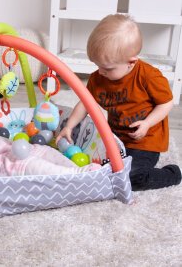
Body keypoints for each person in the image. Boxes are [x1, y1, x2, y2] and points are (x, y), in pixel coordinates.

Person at [56, 14, 181, 191]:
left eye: (107, 68)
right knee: (101, 171)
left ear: (131, 62)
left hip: (144, 143)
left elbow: (166, 103)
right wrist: (68, 126)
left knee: (131, 178)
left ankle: (172, 174)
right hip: (115, 139)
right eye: (97, 65)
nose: (100, 72)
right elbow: (85, 103)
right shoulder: (99, 77)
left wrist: (147, 123)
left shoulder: (148, 76)